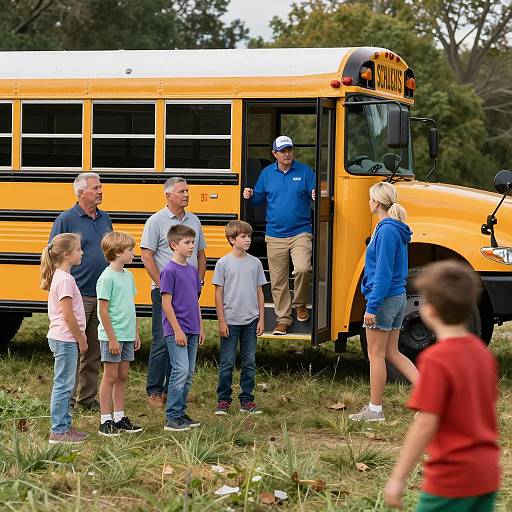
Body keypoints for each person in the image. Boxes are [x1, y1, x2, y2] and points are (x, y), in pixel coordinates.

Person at [384, 260, 500, 511]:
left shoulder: (436, 360)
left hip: (452, 478)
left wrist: (398, 477)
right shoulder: (483, 354)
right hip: (487, 472)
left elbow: (426, 422)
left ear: (430, 311)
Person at [349, 181, 419, 422]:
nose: (368, 202)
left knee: (376, 355)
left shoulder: (387, 230)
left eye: (370, 199)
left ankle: (375, 410)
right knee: (392, 352)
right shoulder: (393, 228)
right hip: (397, 297)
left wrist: (372, 306)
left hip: (385, 299)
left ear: (376, 202)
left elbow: (383, 273)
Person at [141, 177, 207, 408]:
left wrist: (197, 282)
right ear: (168, 195)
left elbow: (200, 254)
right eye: (181, 191)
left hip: (188, 292)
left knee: (185, 338)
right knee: (162, 340)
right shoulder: (156, 221)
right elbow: (146, 255)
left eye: (188, 190)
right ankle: (155, 391)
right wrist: (162, 284)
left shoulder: (194, 220)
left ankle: (175, 389)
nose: (187, 195)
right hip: (164, 292)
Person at [50, 172, 112, 411]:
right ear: (80, 192)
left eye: (100, 187)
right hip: (77, 295)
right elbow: (54, 252)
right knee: (74, 346)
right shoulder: (66, 219)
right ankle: (66, 400)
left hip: (101, 293)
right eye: (96, 188)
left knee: (94, 349)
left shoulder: (105, 218)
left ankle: (86, 399)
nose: (100, 191)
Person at [243, 136, 315, 336]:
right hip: (274, 234)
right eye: (282, 151)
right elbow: (258, 201)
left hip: (301, 232)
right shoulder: (266, 174)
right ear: (274, 154)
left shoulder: (305, 171)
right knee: (278, 280)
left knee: (302, 268)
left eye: (289, 150)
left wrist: (317, 195)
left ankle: (300, 303)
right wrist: (250, 195)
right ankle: (283, 319)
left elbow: (316, 195)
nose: (287, 154)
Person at [213, 220, 266, 416]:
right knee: (227, 362)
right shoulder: (223, 263)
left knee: (249, 361)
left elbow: (260, 291)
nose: (248, 240)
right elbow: (218, 293)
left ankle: (247, 400)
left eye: (249, 236)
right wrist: (221, 320)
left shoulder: (255, 263)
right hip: (231, 321)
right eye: (243, 237)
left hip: (250, 321)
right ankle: (223, 400)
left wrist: (261, 319)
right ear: (232, 240)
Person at [41, 233, 88, 444]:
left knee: (67, 383)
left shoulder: (61, 277)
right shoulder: (65, 280)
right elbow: (68, 315)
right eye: (78, 249)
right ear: (67, 254)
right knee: (64, 385)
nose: (82, 252)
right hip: (66, 338)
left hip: (63, 338)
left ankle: (65, 426)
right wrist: (81, 338)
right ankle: (58, 431)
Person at [96, 231, 142, 437]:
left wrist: (136, 333)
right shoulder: (106, 278)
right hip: (111, 336)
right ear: (116, 252)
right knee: (110, 376)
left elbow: (131, 307)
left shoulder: (129, 276)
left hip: (127, 334)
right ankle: (105, 420)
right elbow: (103, 311)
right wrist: (112, 338)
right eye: (130, 250)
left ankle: (119, 417)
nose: (134, 253)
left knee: (122, 376)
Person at [161, 225, 205, 431]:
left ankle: (180, 412)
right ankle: (172, 416)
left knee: (189, 373)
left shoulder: (192, 270)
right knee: (180, 370)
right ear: (173, 245)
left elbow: (195, 302)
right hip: (176, 330)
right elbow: (166, 304)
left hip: (193, 328)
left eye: (192, 242)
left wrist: (201, 327)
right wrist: (177, 330)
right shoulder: (169, 271)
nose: (191, 246)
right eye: (186, 242)